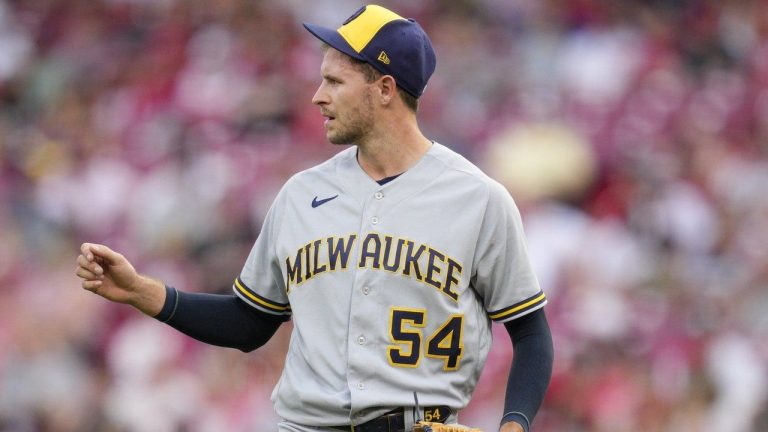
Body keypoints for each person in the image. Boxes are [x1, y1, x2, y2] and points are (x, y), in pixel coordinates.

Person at [75, 5, 553, 432]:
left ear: (384, 89)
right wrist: (141, 292)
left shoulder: (478, 198)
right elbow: (248, 323)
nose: (317, 96)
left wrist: (514, 425)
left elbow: (530, 332)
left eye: (335, 81)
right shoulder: (301, 195)